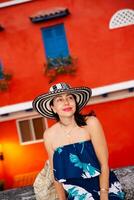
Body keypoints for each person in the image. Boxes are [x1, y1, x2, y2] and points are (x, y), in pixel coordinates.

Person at [33, 82, 125, 200]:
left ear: (75, 102)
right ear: (53, 108)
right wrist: (62, 199)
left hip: (105, 187)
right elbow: (55, 173)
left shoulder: (91, 123)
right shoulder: (49, 135)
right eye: (59, 100)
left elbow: (104, 164)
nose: (66, 102)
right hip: (77, 194)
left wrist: (104, 194)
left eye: (70, 97)